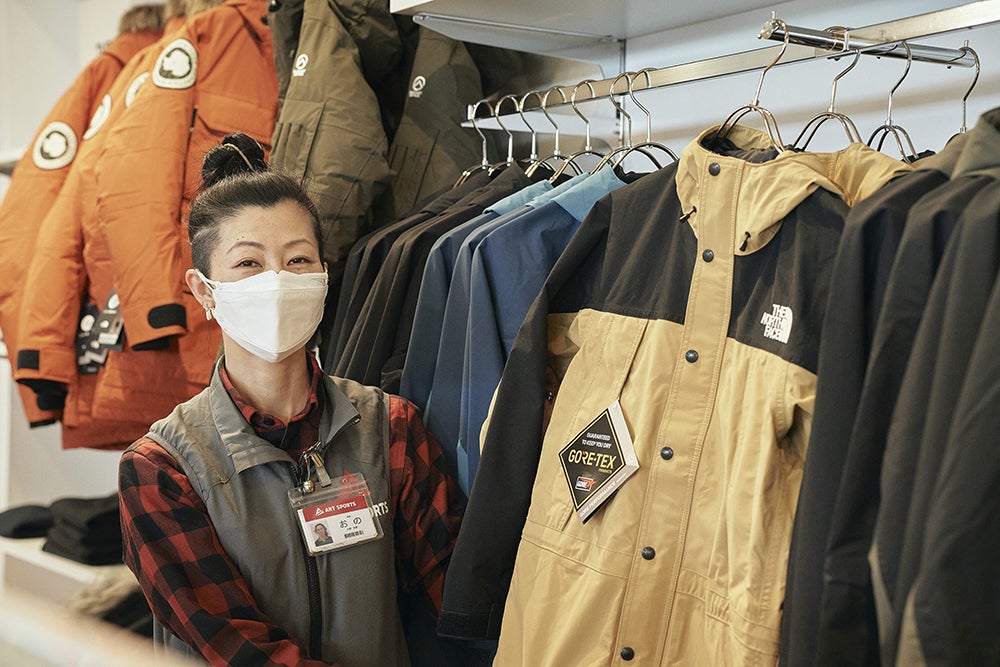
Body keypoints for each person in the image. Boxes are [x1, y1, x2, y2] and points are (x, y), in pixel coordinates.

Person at [118, 133, 464, 667]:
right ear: (204, 289)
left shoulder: (390, 426)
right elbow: (236, 647)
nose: (278, 281)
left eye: (298, 259)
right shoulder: (162, 469)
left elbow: (460, 599)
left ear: (323, 276)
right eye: (248, 263)